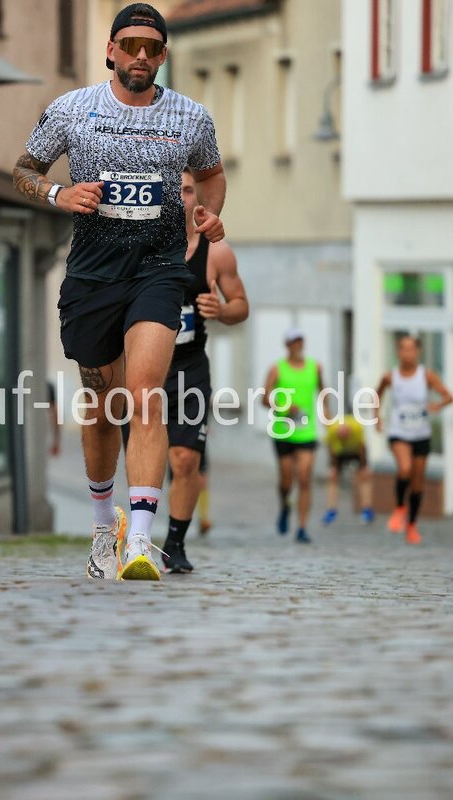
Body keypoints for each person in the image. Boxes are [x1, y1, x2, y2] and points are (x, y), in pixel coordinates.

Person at [14, 3, 225, 581]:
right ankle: (104, 525)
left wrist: (207, 214)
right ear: (111, 50)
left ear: (163, 56)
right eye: (129, 45)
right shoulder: (73, 109)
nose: (140, 56)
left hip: (158, 271)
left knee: (145, 394)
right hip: (92, 276)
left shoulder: (190, 117)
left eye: (151, 48)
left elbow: (212, 174)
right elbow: (25, 168)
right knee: (104, 409)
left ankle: (140, 540)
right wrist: (59, 195)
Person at [139, 167, 248, 573]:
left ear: (197, 198)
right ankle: (135, 535)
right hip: (146, 370)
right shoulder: (141, 247)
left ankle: (175, 544)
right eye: (172, 189)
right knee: (146, 459)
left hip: (189, 370)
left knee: (185, 459)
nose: (179, 196)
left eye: (186, 190)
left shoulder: (216, 253)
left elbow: (241, 306)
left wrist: (222, 310)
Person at [374, 335, 453, 545]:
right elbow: (376, 394)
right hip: (399, 431)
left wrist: (437, 405)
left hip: (421, 433)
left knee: (417, 483)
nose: (407, 353)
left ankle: (411, 525)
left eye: (411, 349)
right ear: (398, 352)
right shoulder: (390, 376)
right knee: (405, 468)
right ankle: (400, 507)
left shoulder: (425, 376)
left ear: (418, 352)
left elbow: (449, 396)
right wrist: (376, 417)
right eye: (403, 349)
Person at [263, 329, 325, 544]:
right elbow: (264, 398)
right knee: (286, 481)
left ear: (303, 343)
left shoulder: (314, 367)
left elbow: (323, 391)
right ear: (286, 345)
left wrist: (327, 415)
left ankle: (302, 526)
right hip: (283, 431)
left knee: (305, 477)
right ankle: (284, 505)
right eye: (292, 342)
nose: (296, 346)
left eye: (299, 341)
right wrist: (284, 406)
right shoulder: (277, 369)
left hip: (307, 432)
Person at [322, 415, 375, 528]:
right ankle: (331, 510)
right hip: (339, 453)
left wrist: (364, 466)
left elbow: (362, 447)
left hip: (355, 451)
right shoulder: (331, 431)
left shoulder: (357, 428)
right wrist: (333, 467)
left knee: (365, 476)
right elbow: (330, 448)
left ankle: (367, 509)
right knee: (332, 477)